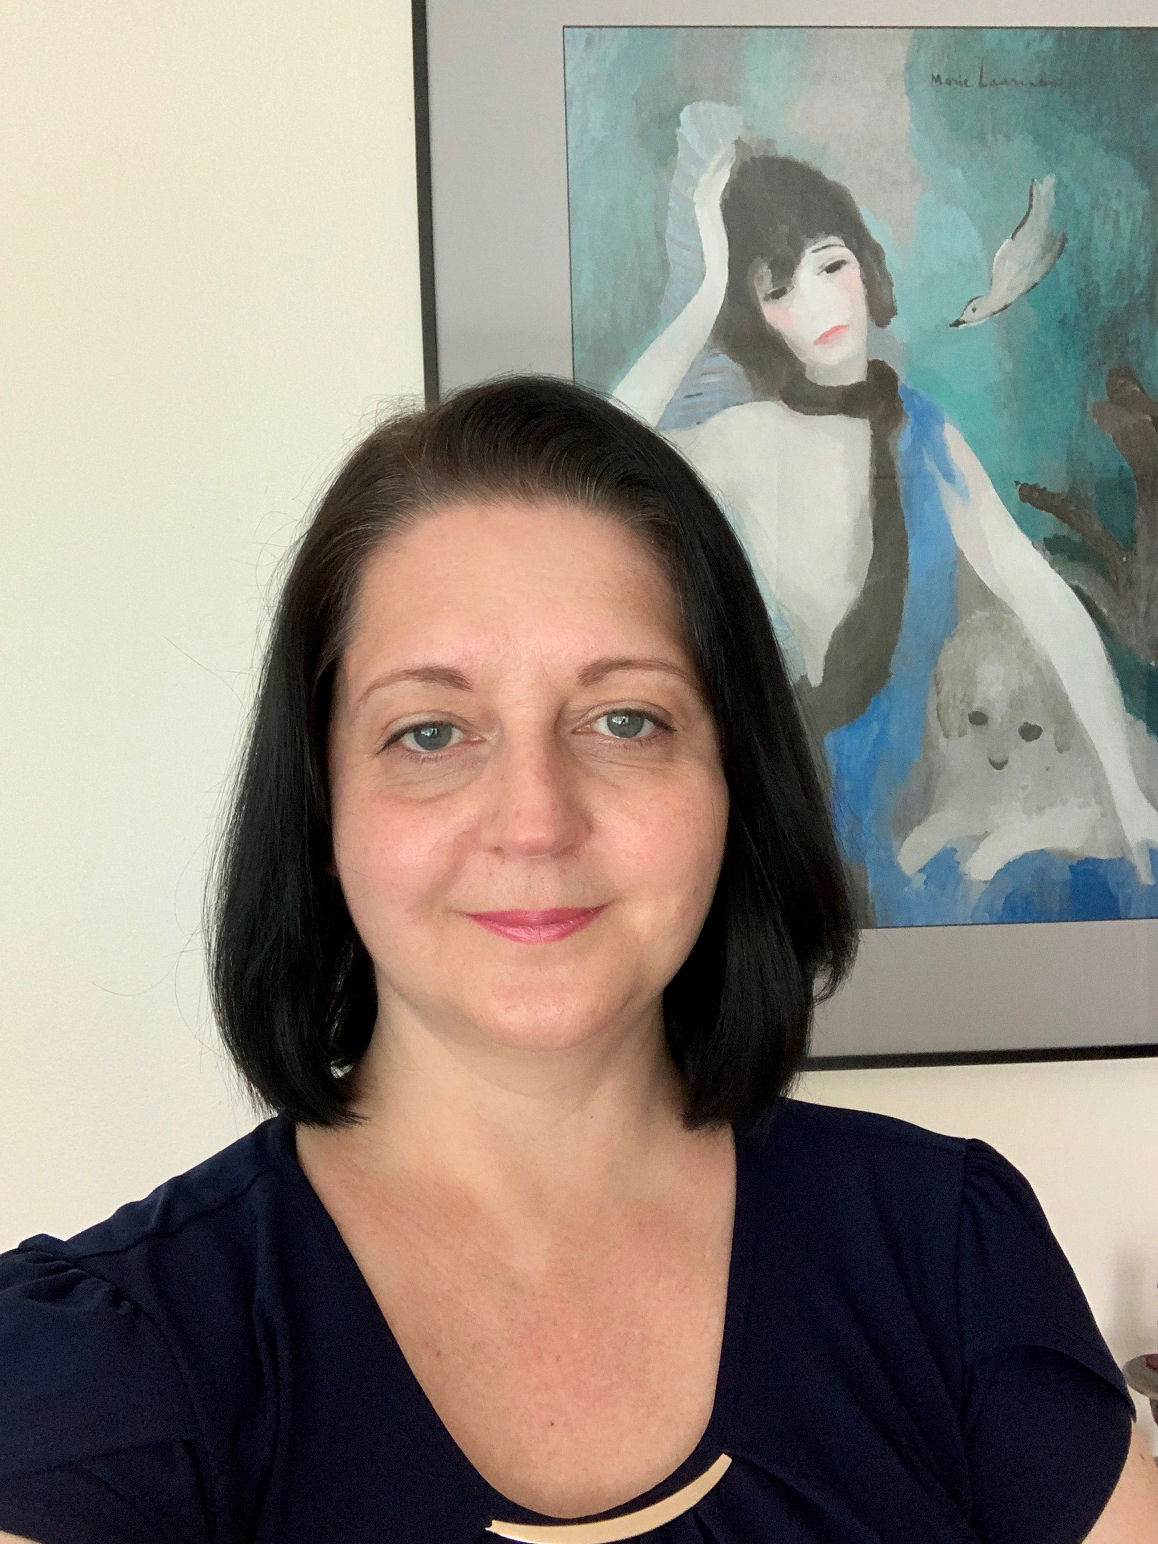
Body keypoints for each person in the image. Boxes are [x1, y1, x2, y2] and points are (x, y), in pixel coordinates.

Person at [1, 376, 1155, 1542]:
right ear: (321, 804)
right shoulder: (110, 1366)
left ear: (735, 780)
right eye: (430, 732)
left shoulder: (947, 1254)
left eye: (625, 719)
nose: (536, 820)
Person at [614, 140, 1158, 924]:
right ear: (757, 316)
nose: (819, 306)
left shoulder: (926, 436)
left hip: (918, 821)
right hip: (791, 825)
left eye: (831, 267)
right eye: (779, 290)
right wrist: (707, 290)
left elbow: (1045, 602)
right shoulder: (744, 441)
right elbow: (598, 451)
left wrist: (1129, 791)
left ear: (866, 268)